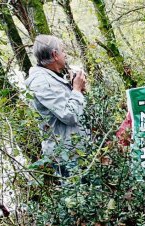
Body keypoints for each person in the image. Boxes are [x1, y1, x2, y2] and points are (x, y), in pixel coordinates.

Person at [25, 34, 89, 176]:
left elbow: (73, 109)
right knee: (77, 197)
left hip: (77, 151)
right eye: (63, 50)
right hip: (67, 157)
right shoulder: (42, 83)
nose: (65, 54)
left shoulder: (53, 77)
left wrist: (76, 89)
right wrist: (77, 90)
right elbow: (70, 115)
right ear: (55, 55)